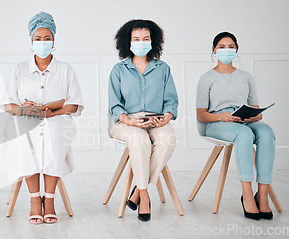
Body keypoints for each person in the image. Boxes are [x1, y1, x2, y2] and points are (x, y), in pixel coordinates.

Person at [2, 11, 83, 224]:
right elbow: (8, 104)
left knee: (54, 134)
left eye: (47, 38)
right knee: (26, 139)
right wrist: (24, 109)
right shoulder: (19, 69)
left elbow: (73, 104)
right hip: (26, 120)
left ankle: (50, 200)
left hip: (57, 120)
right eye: (38, 39)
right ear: (31, 42)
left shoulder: (66, 70)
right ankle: (34, 200)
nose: (42, 42)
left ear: (54, 41)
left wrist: (52, 112)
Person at [196, 32, 275, 220]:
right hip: (216, 123)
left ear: (237, 50)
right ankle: (247, 194)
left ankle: (262, 195)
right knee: (244, 135)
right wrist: (222, 116)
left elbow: (256, 109)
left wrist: (254, 116)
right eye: (221, 47)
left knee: (266, 132)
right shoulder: (206, 78)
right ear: (214, 50)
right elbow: (201, 114)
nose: (226, 50)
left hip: (242, 120)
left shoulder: (246, 77)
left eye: (231, 46)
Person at [108, 19, 178, 222]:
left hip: (156, 120)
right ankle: (144, 194)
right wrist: (129, 121)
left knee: (169, 140)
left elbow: (171, 100)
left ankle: (138, 190)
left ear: (153, 41)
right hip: (125, 122)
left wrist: (167, 116)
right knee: (139, 141)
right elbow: (114, 105)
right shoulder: (118, 70)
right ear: (127, 42)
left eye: (145, 38)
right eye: (136, 39)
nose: (141, 42)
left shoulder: (163, 68)